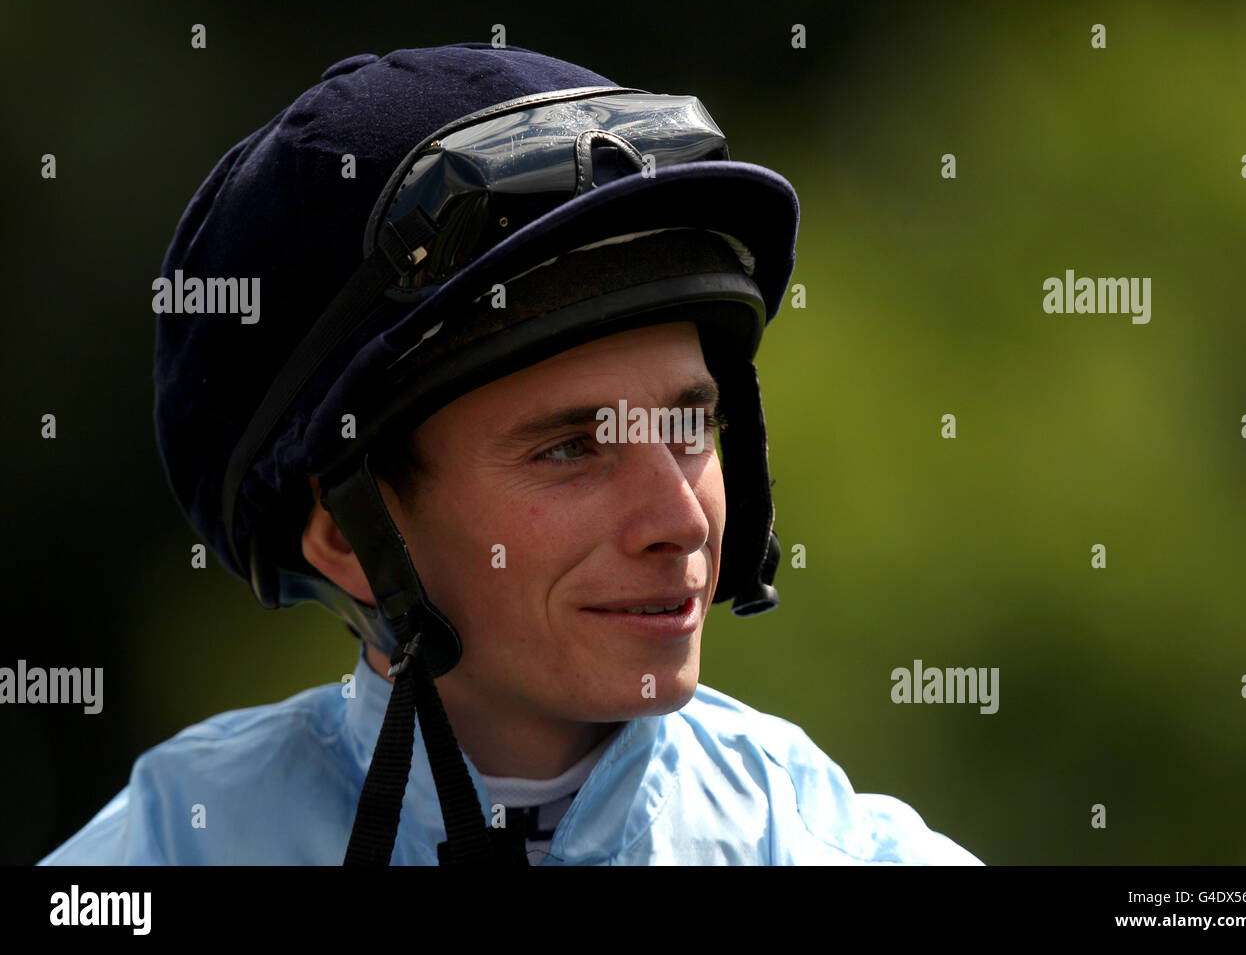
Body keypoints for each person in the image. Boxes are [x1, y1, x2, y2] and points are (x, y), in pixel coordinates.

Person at [38, 43, 981, 866]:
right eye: (572, 447)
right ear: (344, 535)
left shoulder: (831, 849)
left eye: (691, 425)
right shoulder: (171, 845)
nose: (683, 520)